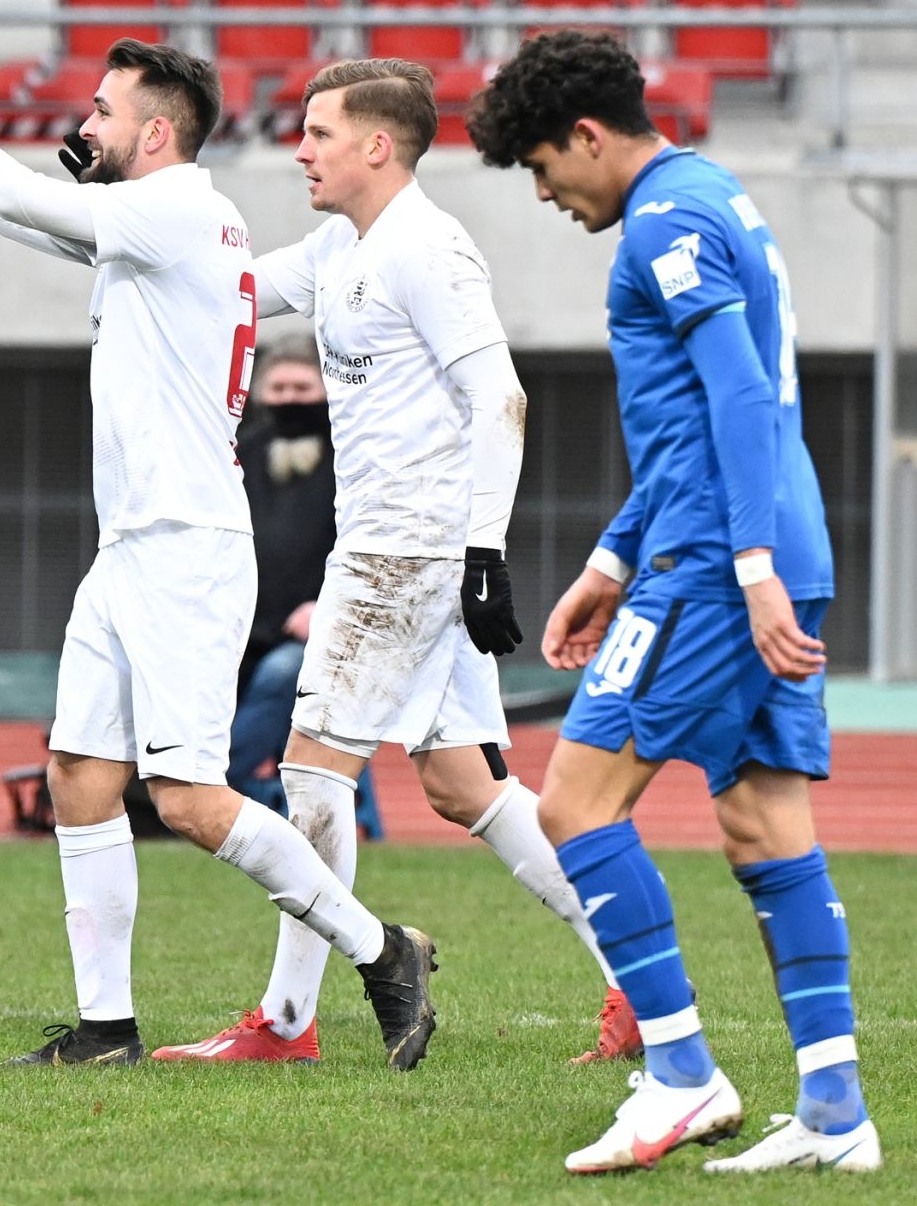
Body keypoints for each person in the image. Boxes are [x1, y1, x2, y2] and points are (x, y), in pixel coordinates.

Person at [0, 15, 438, 1069]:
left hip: (184, 546)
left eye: (103, 110)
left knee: (186, 795)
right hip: (132, 547)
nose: (85, 121)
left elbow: (11, 197)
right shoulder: (162, 219)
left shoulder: (178, 208)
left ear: (157, 133)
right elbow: (28, 221)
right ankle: (106, 1027)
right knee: (80, 773)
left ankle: (381, 948)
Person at [155, 59, 638, 1068]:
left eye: (320, 132)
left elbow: (500, 397)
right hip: (396, 548)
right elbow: (236, 285)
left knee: (309, 774)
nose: (301, 148)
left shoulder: (429, 249)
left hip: (403, 551)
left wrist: (484, 552)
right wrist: (123, 220)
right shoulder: (341, 243)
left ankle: (289, 1021)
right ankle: (635, 981)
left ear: (378, 145)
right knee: (466, 785)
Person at [466, 29, 881, 1174]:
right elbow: (701, 424)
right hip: (758, 542)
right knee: (762, 820)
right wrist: (609, 560)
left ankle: (682, 1074)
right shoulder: (715, 195)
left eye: (546, 168)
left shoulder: (662, 222)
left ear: (589, 136)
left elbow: (742, 397)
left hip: (716, 562)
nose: (546, 193)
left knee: (575, 805)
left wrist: (739, 568)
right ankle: (836, 1110)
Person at [229, 338, 382, 841]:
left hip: (319, 637)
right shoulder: (238, 454)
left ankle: (216, 785)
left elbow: (373, 543)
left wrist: (327, 606)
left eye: (302, 387)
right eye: (278, 387)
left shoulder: (355, 459)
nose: (290, 398)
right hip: (239, 628)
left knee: (281, 675)